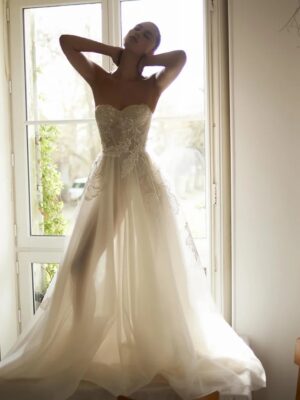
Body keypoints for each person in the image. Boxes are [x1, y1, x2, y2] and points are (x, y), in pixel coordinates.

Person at [0, 21, 266, 400]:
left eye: (146, 35)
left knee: (151, 267)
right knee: (79, 266)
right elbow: (66, 41)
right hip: (107, 181)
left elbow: (181, 57)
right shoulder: (98, 79)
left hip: (141, 184)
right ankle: (82, 341)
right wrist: (114, 53)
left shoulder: (152, 85)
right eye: (135, 31)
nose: (136, 35)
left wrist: (144, 59)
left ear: (151, 47)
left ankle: (151, 344)